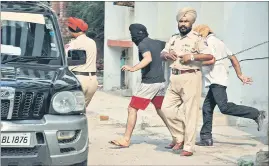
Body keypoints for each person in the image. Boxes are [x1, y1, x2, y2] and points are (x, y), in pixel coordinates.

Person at [193, 24, 266, 146]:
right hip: (218, 80)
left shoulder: (207, 43)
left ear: (201, 34)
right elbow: (233, 58)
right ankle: (206, 138)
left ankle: (257, 114)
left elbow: (211, 59)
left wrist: (195, 63)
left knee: (224, 107)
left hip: (216, 80)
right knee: (207, 108)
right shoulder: (220, 42)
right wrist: (240, 75)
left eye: (196, 35)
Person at [159, 7, 215, 156]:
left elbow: (209, 56)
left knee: (190, 113)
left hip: (191, 76)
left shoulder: (197, 38)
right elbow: (162, 52)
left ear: (191, 23)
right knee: (166, 109)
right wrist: (166, 55)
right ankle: (180, 136)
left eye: (186, 21)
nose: (183, 23)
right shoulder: (174, 38)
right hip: (174, 77)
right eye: (181, 21)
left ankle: (188, 147)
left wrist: (191, 57)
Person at [109, 23, 169, 148]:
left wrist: (133, 68)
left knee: (132, 108)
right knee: (161, 109)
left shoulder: (142, 44)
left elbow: (148, 58)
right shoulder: (158, 43)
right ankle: (178, 136)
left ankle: (126, 139)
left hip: (149, 83)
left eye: (132, 34)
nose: (132, 37)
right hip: (161, 82)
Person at [65, 17, 98, 107]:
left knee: (70, 110)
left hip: (79, 79)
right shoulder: (92, 42)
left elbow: (63, 55)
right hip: (93, 81)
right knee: (81, 109)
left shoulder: (74, 43)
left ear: (72, 30)